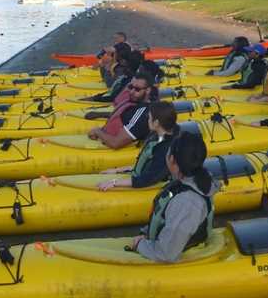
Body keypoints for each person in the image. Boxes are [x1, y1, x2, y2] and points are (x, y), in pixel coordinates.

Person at [128, 131, 216, 263]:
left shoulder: (187, 202)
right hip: (163, 242)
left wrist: (139, 245)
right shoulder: (186, 179)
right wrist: (146, 234)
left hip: (174, 255)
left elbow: (166, 254)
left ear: (172, 160)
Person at [98, 101, 178, 190]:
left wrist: (114, 182)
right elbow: (143, 166)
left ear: (156, 123)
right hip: (136, 176)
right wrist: (116, 170)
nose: (147, 120)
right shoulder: (155, 136)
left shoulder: (165, 149)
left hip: (147, 185)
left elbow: (147, 179)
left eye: (149, 118)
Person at [87, 71, 155, 149]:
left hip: (115, 148)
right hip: (106, 139)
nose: (132, 92)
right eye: (130, 87)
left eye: (137, 89)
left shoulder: (142, 113)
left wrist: (97, 131)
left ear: (148, 90)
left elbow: (116, 143)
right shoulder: (133, 102)